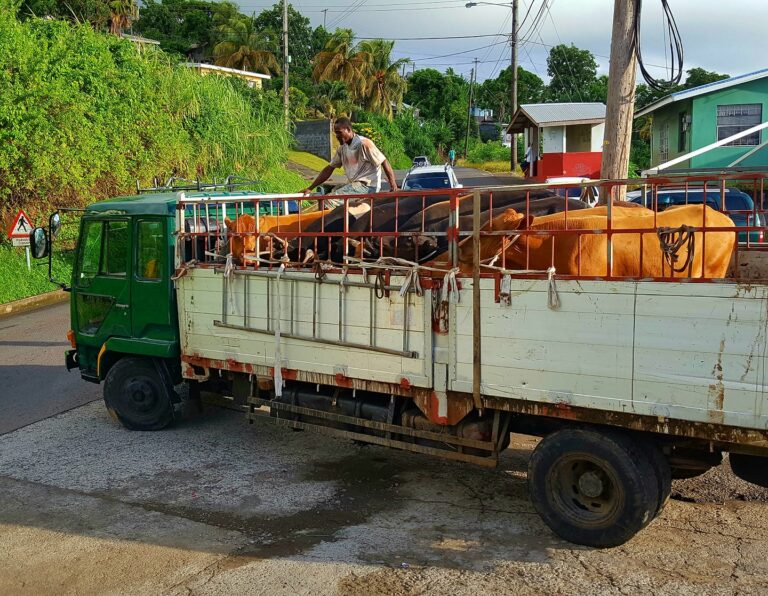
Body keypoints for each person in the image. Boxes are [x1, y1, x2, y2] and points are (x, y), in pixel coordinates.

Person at [301, 117, 398, 208]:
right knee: (324, 191)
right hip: (354, 185)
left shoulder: (364, 144)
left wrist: (393, 186)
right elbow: (329, 168)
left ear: (348, 130)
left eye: (339, 132)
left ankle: (325, 219)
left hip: (368, 186)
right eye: (335, 133)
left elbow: (384, 161)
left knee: (329, 201)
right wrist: (310, 188)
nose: (337, 136)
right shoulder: (342, 148)